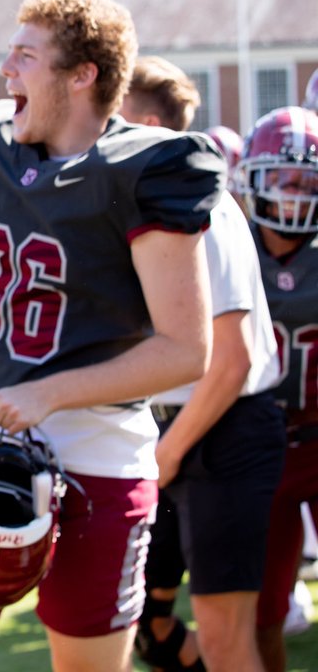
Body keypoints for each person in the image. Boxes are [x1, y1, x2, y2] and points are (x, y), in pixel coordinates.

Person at [0, 0, 225, 672]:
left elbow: (186, 351)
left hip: (99, 457)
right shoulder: (2, 153)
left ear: (82, 74)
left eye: (25, 56)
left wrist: (49, 394)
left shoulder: (146, 167)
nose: (6, 70)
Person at [120, 56, 285, 672]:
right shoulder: (137, 206)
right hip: (169, 429)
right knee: (149, 627)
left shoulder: (202, 204)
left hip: (224, 429)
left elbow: (233, 359)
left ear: (153, 124)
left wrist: (169, 450)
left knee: (224, 636)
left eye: (118, 119)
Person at [238, 106, 318, 672]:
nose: (292, 194)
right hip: (261, 450)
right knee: (262, 613)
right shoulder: (227, 246)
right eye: (281, 179)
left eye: (305, 182)